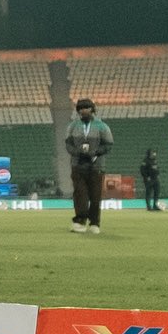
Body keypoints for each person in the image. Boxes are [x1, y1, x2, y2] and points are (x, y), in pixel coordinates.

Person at [64, 98, 113, 234]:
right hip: (77, 165)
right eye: (81, 108)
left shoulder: (102, 126)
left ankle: (94, 223)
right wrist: (78, 153)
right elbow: (68, 144)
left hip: (96, 166)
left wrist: (96, 153)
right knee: (80, 194)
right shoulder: (73, 126)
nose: (83, 110)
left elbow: (108, 144)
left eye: (86, 108)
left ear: (92, 109)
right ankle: (80, 221)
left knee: (95, 195)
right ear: (78, 110)